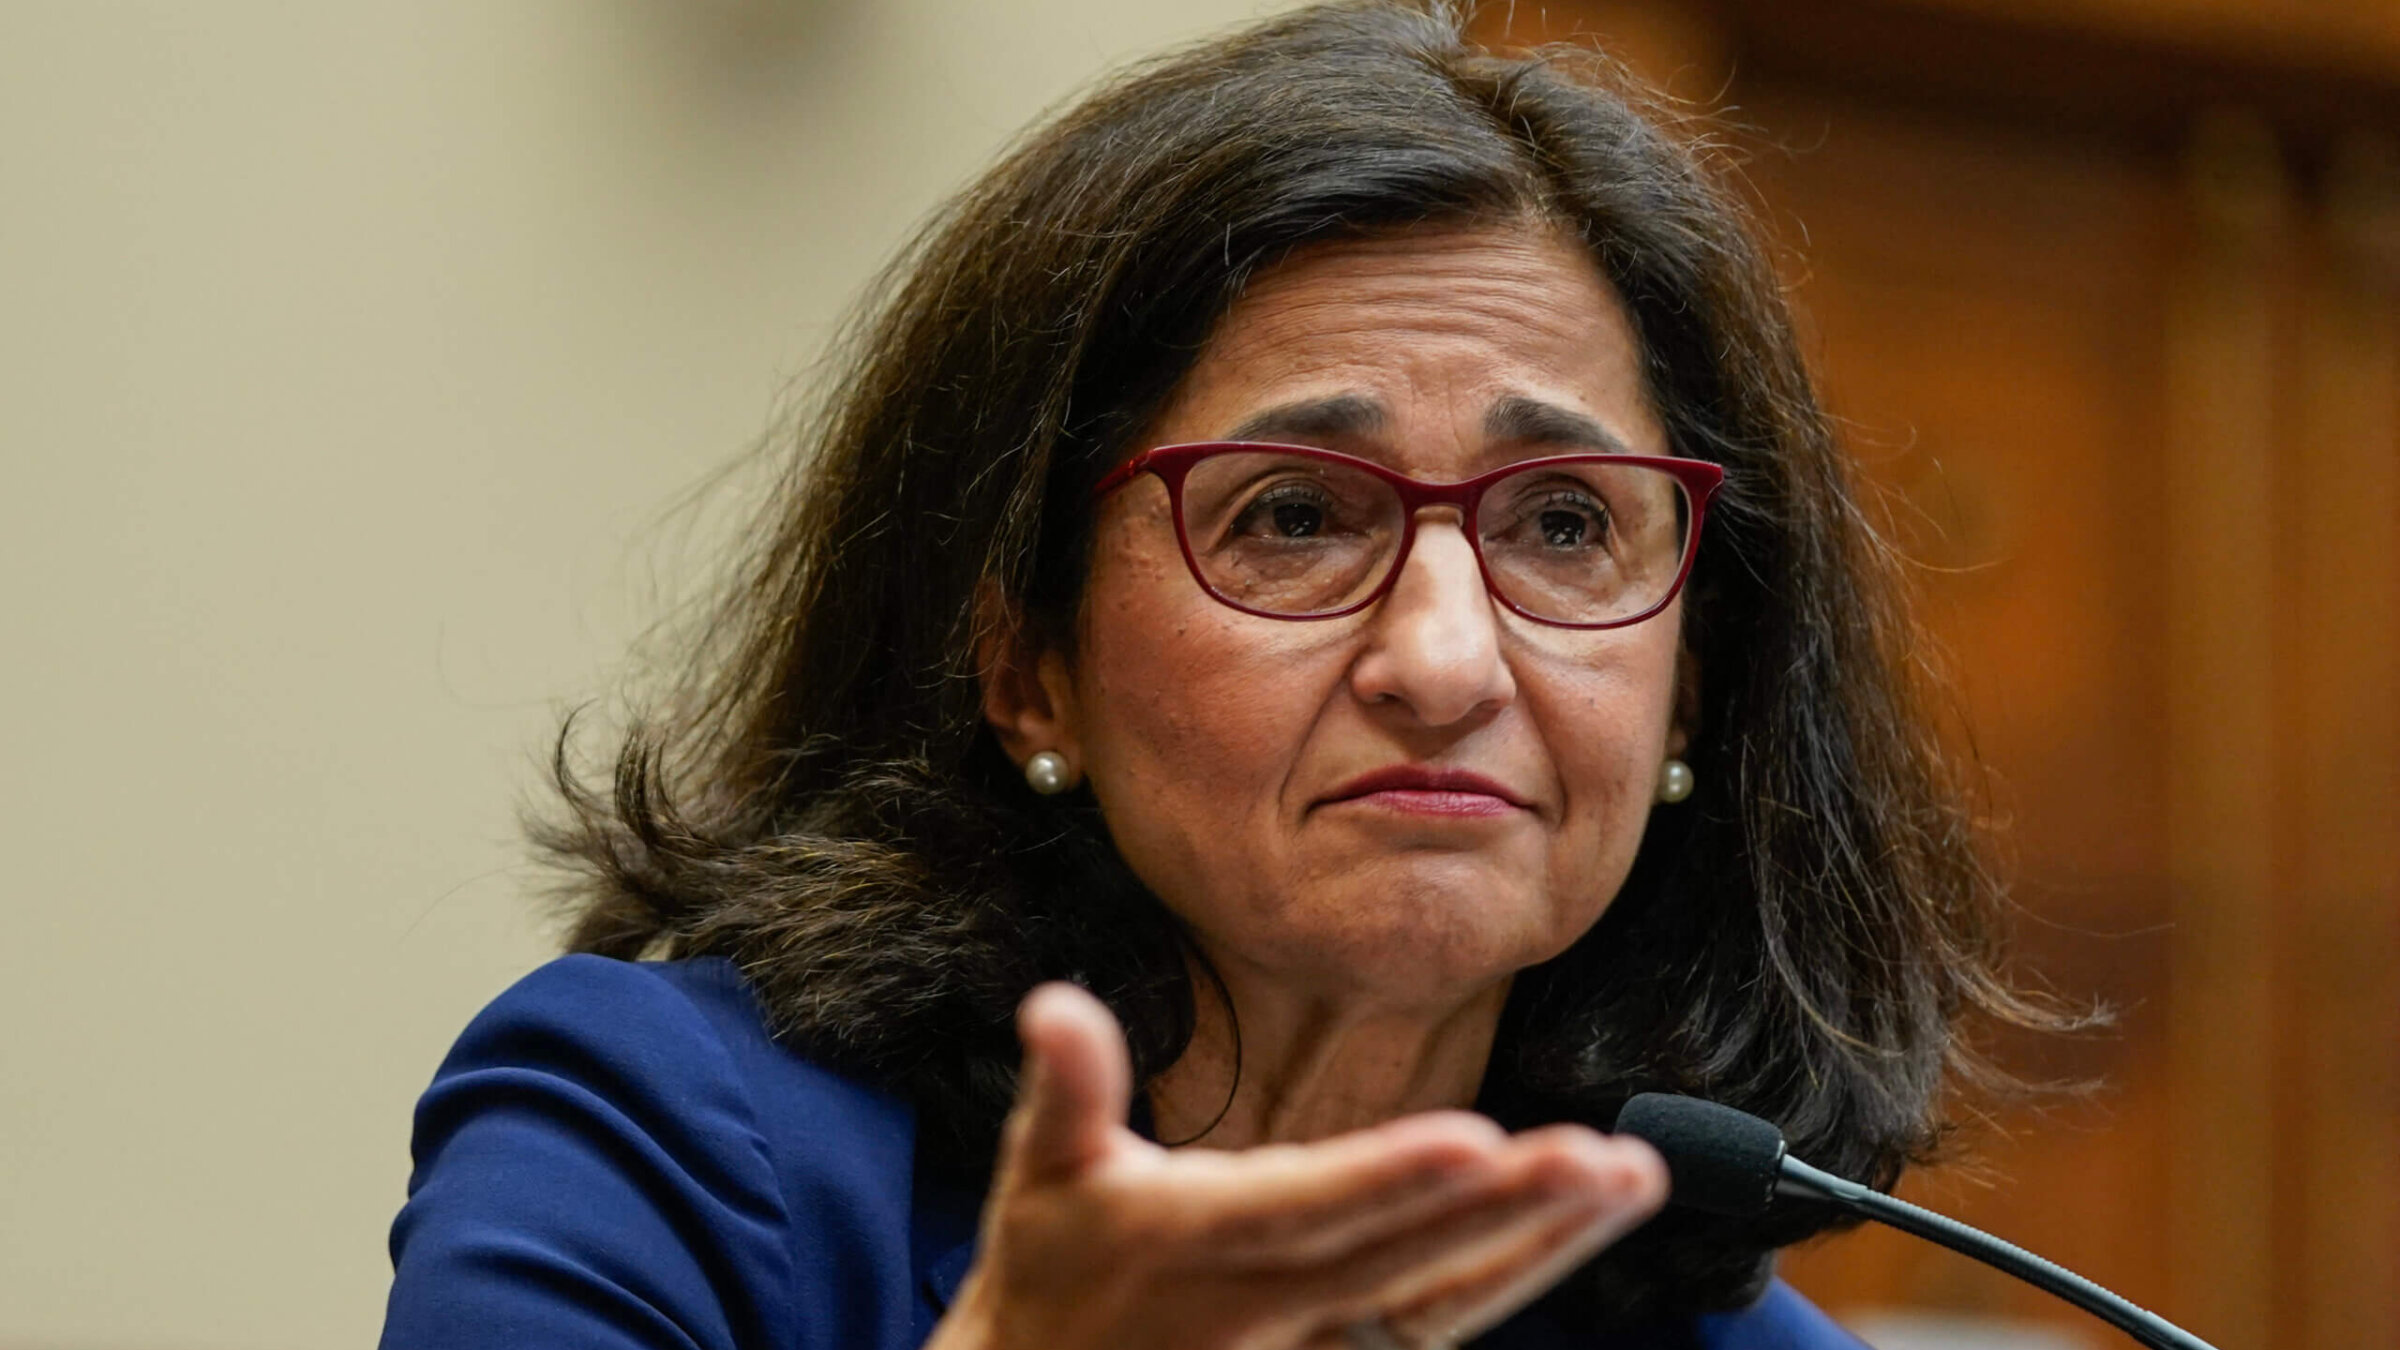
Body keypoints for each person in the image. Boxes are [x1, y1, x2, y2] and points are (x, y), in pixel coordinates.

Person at [379, 3, 2069, 1347]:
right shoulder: (670, 1142)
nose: (1444, 655)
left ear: (1693, 688)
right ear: (1026, 661)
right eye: (1293, 516)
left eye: (1563, 524)